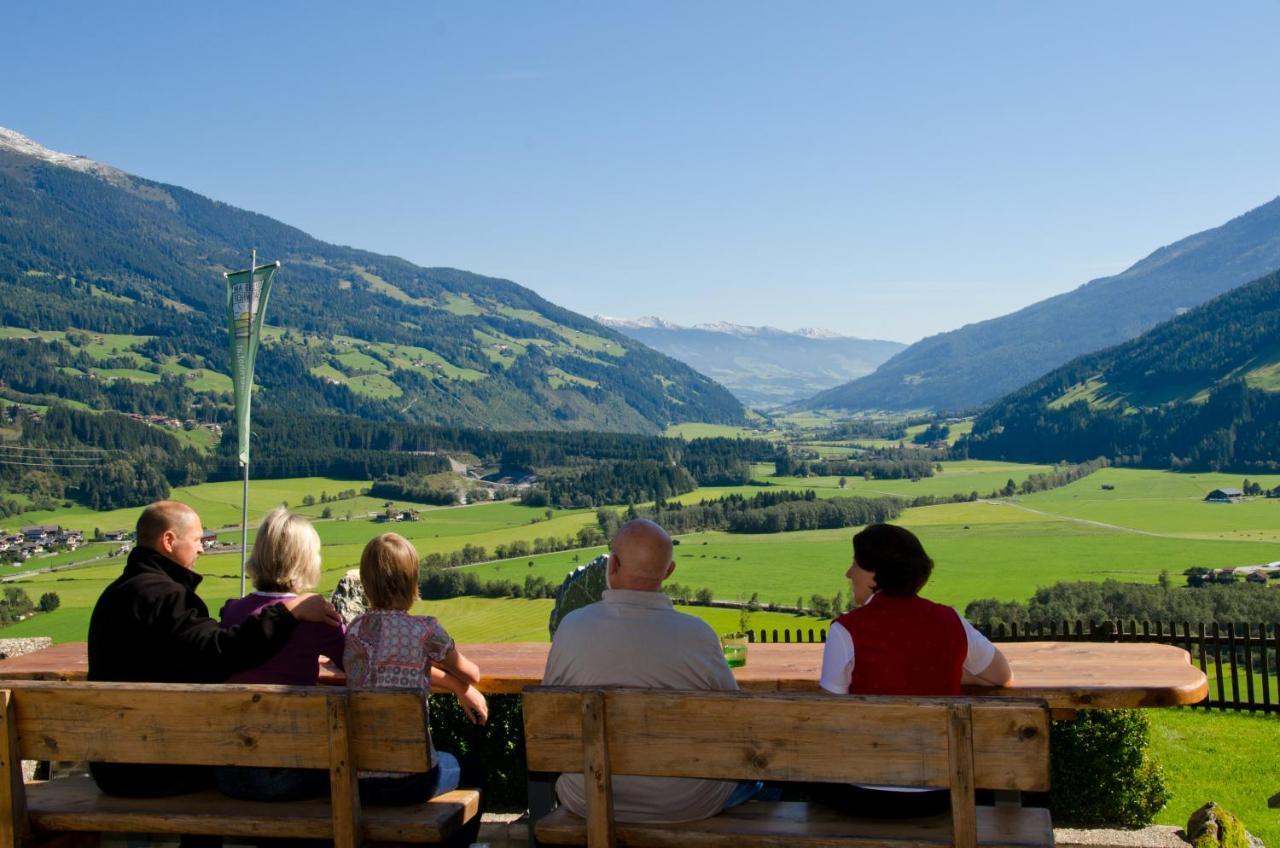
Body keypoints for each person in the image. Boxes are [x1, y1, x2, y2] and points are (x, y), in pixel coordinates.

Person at [87, 500, 341, 798]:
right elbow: (223, 653)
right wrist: (290, 612)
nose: (202, 549)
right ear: (168, 541)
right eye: (197, 540)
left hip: (111, 764)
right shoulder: (168, 600)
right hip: (158, 766)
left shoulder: (115, 594)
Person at [542, 518, 757, 823]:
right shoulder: (698, 634)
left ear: (612, 565)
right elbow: (733, 721)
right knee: (760, 781)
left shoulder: (571, 627)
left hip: (588, 796)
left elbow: (550, 714)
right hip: (686, 801)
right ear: (669, 572)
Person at [817, 523, 1013, 817]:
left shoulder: (846, 631)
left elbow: (828, 714)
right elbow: (1001, 676)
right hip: (941, 794)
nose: (849, 573)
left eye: (856, 564)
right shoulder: (950, 620)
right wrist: (949, 670)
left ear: (875, 574)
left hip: (862, 794)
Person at [344, 531, 487, 844]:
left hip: (358, 781)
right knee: (473, 769)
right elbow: (472, 672)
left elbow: (387, 668)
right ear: (412, 581)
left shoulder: (354, 633)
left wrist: (452, 685)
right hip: (411, 781)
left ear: (367, 582)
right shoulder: (425, 631)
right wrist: (463, 685)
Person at [216, 507, 346, 801]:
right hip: (288, 772)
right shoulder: (314, 617)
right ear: (306, 561)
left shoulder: (232, 612)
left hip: (229, 773)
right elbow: (355, 658)